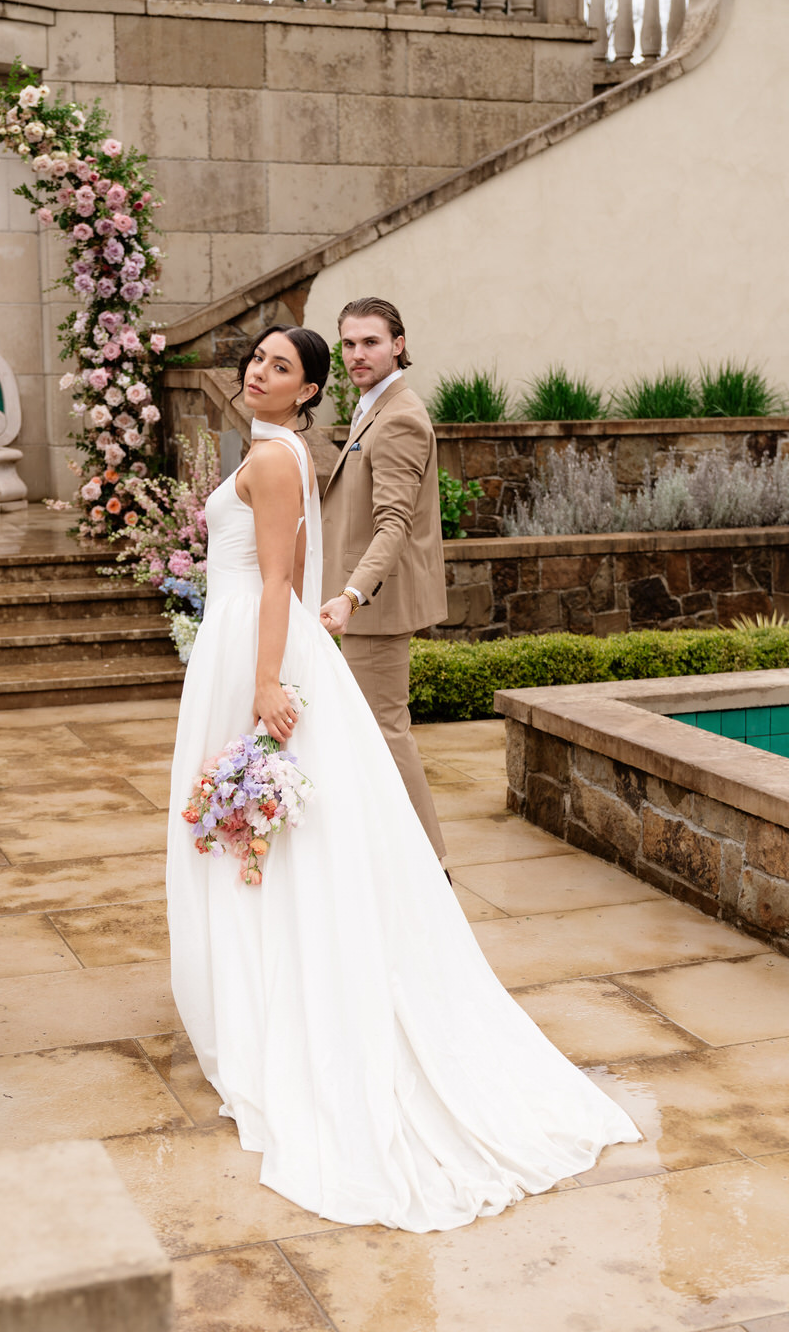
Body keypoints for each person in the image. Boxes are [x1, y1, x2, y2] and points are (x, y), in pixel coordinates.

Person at [166, 323, 640, 1233]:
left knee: (253, 821)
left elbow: (275, 582)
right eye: (257, 360)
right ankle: (263, 975)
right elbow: (288, 571)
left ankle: (274, 996)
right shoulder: (284, 450)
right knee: (263, 824)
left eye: (281, 368)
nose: (258, 373)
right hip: (253, 641)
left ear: (306, 393)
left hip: (251, 645)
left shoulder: (272, 461)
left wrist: (267, 681)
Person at [319, 297, 449, 867]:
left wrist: (351, 594)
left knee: (386, 733)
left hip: (374, 603)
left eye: (370, 342)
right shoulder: (373, 407)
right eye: (348, 343)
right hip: (365, 601)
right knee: (374, 734)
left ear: (398, 344)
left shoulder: (399, 415)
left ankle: (430, 865)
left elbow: (393, 523)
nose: (356, 354)